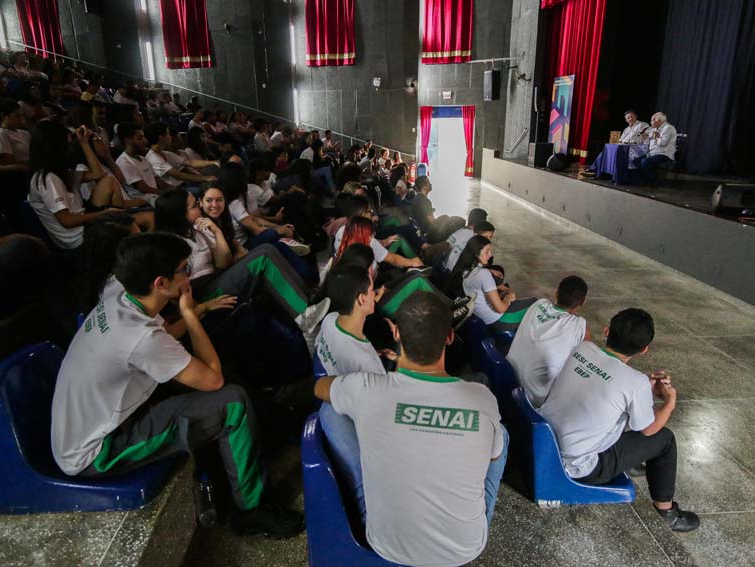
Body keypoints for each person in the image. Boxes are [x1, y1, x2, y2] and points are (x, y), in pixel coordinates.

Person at [50, 232, 304, 538]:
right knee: (232, 403)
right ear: (160, 283)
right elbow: (213, 379)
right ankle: (252, 510)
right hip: (98, 449)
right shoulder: (139, 338)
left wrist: (201, 309)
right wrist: (189, 312)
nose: (190, 273)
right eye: (184, 268)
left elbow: (168, 334)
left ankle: (269, 426)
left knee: (208, 378)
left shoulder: (121, 295)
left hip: (103, 419)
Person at [313, 291, 508, 566]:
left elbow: (319, 388)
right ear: (450, 338)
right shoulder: (481, 397)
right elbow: (493, 458)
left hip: (385, 543)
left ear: (396, 334)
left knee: (331, 410)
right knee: (500, 436)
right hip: (463, 548)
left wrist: (350, 387)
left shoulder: (366, 388)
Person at [540, 308, 699, 532]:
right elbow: (648, 430)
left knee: (618, 417)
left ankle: (630, 463)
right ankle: (667, 510)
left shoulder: (583, 348)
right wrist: (670, 402)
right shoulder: (634, 383)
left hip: (546, 440)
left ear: (606, 331)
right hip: (578, 465)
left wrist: (643, 385)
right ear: (644, 349)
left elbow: (602, 382)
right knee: (665, 439)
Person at [314, 265, 389, 518]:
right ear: (361, 299)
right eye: (371, 290)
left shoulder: (330, 320)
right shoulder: (366, 363)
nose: (374, 293)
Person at [28, 121, 121, 250]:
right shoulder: (47, 178)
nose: (69, 148)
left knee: (108, 181)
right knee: (134, 224)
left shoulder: (61, 172)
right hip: (77, 237)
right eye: (66, 144)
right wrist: (104, 214)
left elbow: (98, 173)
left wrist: (84, 142)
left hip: (84, 221)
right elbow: (67, 221)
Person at [507, 276, 590, 407]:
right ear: (583, 302)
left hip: (507, 374)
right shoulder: (579, 326)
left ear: (556, 292)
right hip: (534, 397)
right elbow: (587, 356)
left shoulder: (539, 303)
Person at [449, 234, 534, 332]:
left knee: (507, 293)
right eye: (487, 251)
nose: (490, 255)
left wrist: (490, 272)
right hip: (497, 320)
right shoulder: (483, 275)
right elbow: (500, 309)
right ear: (476, 253)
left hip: (482, 316)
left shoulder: (464, 271)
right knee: (534, 302)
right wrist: (508, 299)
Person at [143, 123, 216, 190]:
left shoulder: (167, 154)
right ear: (160, 137)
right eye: (168, 134)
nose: (170, 137)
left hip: (182, 185)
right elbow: (178, 175)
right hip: (173, 191)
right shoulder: (153, 158)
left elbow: (191, 163)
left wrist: (214, 162)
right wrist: (205, 178)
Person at [583, 110, 650, 177]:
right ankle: (596, 171)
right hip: (624, 147)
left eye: (632, 116)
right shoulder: (626, 129)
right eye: (628, 118)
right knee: (607, 150)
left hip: (636, 148)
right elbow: (621, 140)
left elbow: (647, 135)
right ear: (626, 120)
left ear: (636, 116)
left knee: (612, 151)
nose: (630, 119)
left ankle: (595, 170)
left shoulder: (642, 124)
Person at [115, 122, 165, 203]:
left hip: (157, 197)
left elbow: (159, 182)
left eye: (144, 137)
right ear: (128, 141)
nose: (145, 141)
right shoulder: (124, 162)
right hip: (144, 202)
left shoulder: (143, 159)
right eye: (140, 138)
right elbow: (144, 189)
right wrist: (168, 194)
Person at [638, 112, 677, 184]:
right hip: (653, 153)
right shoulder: (655, 129)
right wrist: (644, 136)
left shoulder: (668, 128)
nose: (650, 122)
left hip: (664, 154)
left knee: (645, 162)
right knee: (636, 161)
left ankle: (654, 179)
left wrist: (657, 137)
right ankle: (647, 177)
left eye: (652, 120)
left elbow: (662, 143)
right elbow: (647, 143)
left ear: (658, 120)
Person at [0, 98, 31, 167]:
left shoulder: (25, 133)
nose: (21, 119)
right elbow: (8, 162)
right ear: (4, 116)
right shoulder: (0, 134)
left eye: (21, 115)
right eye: (17, 116)